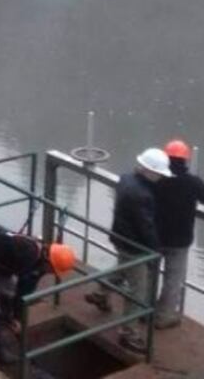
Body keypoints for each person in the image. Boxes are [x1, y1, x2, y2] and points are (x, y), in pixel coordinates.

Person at [85, 147, 171, 354]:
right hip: (136, 246)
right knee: (137, 291)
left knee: (122, 267)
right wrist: (156, 249)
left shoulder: (126, 179)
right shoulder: (143, 196)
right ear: (149, 171)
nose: (160, 177)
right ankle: (128, 333)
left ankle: (100, 292)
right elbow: (146, 227)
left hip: (120, 238)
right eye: (159, 173)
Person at [0, 229, 77, 365]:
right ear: (49, 262)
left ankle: (2, 321)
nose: (51, 273)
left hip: (1, 265)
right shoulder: (25, 251)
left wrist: (16, 318)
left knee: (8, 294)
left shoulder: (38, 267)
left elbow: (22, 293)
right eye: (53, 271)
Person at [152, 139, 204, 329]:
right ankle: (164, 315)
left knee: (149, 274)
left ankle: (144, 310)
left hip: (155, 236)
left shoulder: (157, 178)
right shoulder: (192, 182)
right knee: (173, 279)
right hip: (180, 240)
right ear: (185, 160)